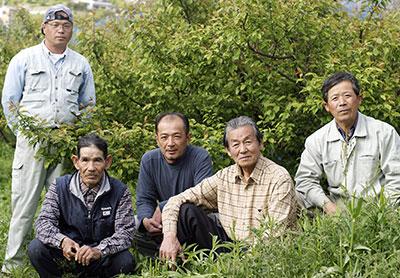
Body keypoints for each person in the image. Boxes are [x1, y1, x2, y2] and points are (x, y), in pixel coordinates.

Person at [1, 4, 95, 272]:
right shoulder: (24, 58)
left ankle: (58, 260)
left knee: (64, 206)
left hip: (65, 144)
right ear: (44, 27)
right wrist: (25, 134)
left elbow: (88, 104)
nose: (61, 30)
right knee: (24, 204)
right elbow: (10, 102)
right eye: (55, 25)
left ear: (71, 30)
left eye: (66, 26)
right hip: (32, 141)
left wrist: (75, 138)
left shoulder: (80, 63)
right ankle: (13, 265)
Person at [159, 116, 298, 261]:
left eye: (248, 142)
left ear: (260, 144)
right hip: (231, 245)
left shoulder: (279, 178)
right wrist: (169, 236)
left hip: (267, 253)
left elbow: (274, 237)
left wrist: (239, 265)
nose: (243, 150)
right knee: (187, 210)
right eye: (236, 144)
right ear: (228, 150)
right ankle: (182, 265)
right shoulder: (224, 177)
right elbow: (176, 200)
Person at [27, 133, 135, 277]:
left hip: (101, 257)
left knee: (125, 260)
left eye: (97, 160)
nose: (91, 168)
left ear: (107, 162)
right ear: (76, 161)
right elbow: (43, 223)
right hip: (68, 254)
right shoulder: (60, 186)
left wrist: (99, 250)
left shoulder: (120, 191)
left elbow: (125, 233)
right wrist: (63, 241)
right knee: (36, 248)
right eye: (85, 160)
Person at [295, 72, 400, 215]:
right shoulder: (317, 140)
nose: (342, 102)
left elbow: (396, 177)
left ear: (359, 99)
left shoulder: (383, 132)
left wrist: (382, 212)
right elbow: (305, 180)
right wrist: (328, 206)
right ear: (327, 106)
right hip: (336, 211)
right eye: (335, 98)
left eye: (347, 95)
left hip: (376, 211)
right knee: (296, 196)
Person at [135, 112, 213, 256]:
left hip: (189, 219)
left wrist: (163, 206)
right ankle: (164, 252)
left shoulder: (200, 157)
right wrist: (147, 220)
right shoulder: (149, 159)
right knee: (134, 223)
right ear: (157, 139)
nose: (170, 143)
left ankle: (198, 254)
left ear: (188, 137)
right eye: (164, 137)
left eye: (177, 136)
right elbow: (144, 199)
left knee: (194, 213)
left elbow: (203, 196)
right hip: (162, 222)